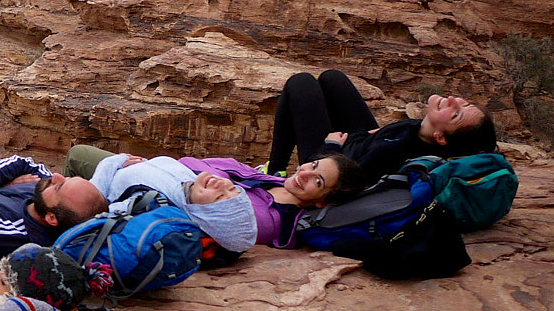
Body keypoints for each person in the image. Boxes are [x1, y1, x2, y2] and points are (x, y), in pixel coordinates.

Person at [267, 70, 495, 181]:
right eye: (464, 103)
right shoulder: (424, 131)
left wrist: (332, 147)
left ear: (440, 137)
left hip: (330, 163)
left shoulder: (391, 152)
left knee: (301, 83)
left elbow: (347, 182)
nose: (454, 100)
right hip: (364, 142)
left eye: (455, 114)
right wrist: (376, 134)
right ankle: (275, 168)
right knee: (332, 78)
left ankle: (275, 171)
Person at [65, 146, 260, 253]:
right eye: (232, 188)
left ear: (204, 217)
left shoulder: (153, 206)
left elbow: (95, 209)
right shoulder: (194, 186)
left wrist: (113, 162)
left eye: (219, 197)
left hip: (108, 175)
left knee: (77, 154)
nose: (222, 185)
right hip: (128, 164)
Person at [178, 153, 361, 248]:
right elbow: (192, 162)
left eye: (318, 181)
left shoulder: (269, 221)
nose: (305, 173)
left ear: (323, 203)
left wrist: (212, 177)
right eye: (313, 165)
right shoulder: (277, 182)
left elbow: (204, 197)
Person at [0, 155, 108, 256]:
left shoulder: (13, 231)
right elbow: (25, 163)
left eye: (58, 187)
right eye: (69, 178)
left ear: (51, 218)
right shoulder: (44, 197)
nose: (56, 175)